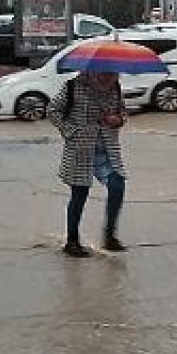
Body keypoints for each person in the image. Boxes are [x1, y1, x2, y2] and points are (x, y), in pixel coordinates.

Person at [48, 71, 129, 258]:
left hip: (107, 149)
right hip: (80, 148)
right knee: (79, 194)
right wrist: (71, 131)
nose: (107, 78)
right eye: (104, 74)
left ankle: (109, 236)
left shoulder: (115, 89)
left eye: (112, 75)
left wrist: (117, 120)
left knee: (117, 185)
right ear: (93, 71)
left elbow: (123, 112)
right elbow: (52, 110)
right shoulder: (73, 86)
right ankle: (72, 241)